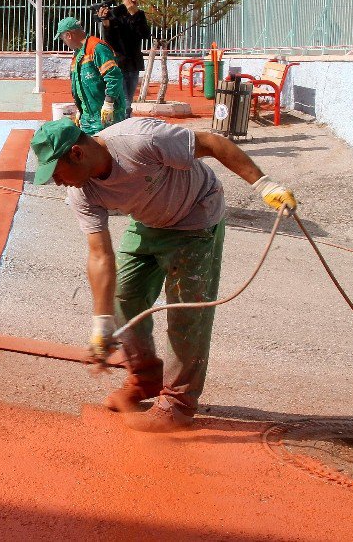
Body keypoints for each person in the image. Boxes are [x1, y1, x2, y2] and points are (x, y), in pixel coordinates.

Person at [30, 117, 297, 432]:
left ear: (77, 153)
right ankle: (146, 378)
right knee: (122, 295)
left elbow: (212, 143)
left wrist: (263, 185)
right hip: (149, 219)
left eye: (56, 173)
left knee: (186, 312)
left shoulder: (139, 140)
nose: (57, 182)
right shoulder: (82, 193)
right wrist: (101, 325)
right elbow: (100, 255)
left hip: (195, 215)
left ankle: (178, 404)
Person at [54, 17, 128, 136]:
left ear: (68, 35)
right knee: (90, 151)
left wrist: (109, 103)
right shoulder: (78, 55)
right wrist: (81, 110)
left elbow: (114, 76)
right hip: (88, 116)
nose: (64, 43)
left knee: (109, 150)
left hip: (106, 114)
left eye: (63, 39)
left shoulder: (97, 48)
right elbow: (79, 86)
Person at [98, 0, 151, 104]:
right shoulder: (113, 13)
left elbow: (146, 35)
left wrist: (134, 14)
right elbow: (109, 39)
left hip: (133, 63)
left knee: (129, 100)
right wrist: (106, 24)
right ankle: (123, 121)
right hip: (118, 63)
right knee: (124, 101)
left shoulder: (139, 15)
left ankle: (124, 120)